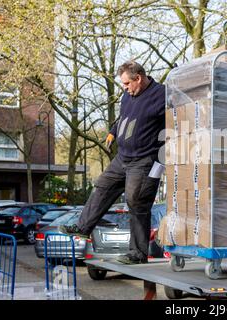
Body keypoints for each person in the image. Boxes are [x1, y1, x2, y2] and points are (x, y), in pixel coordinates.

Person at [59, 61, 165, 265]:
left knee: (137, 201)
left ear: (139, 78)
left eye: (127, 83)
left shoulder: (162, 94)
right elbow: (123, 117)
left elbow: (178, 117)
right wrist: (113, 132)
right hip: (123, 157)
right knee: (102, 186)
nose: (124, 88)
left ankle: (137, 253)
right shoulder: (128, 95)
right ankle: (82, 228)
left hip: (144, 159)